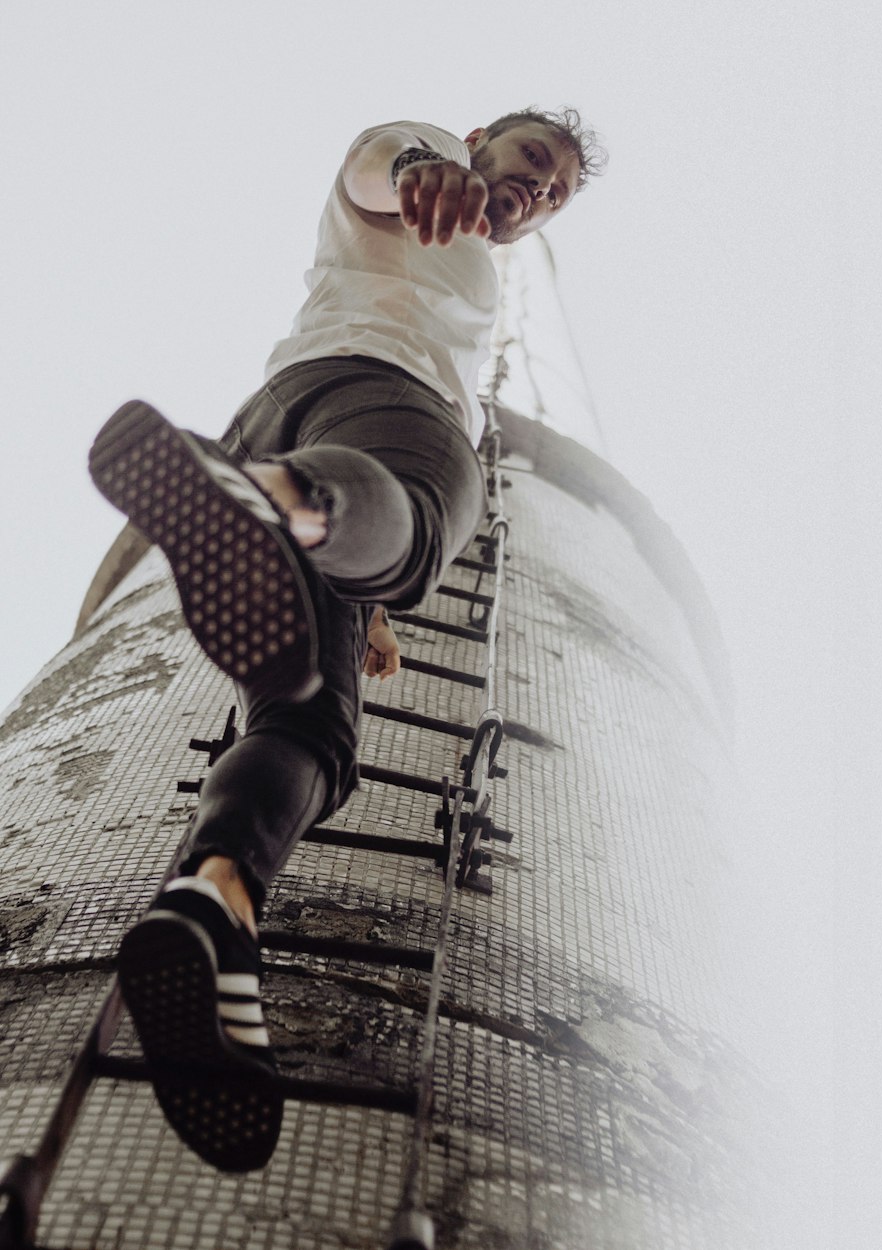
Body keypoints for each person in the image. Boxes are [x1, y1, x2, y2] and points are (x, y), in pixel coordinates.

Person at [89, 109, 605, 1172]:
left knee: (311, 723)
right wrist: (428, 169)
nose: (536, 191)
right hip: (387, 405)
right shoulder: (425, 162)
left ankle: (213, 906)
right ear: (480, 139)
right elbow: (381, 164)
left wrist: (358, 604)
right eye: (532, 162)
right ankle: (271, 504)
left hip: (283, 416)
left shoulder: (446, 251)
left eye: (556, 193)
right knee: (421, 521)